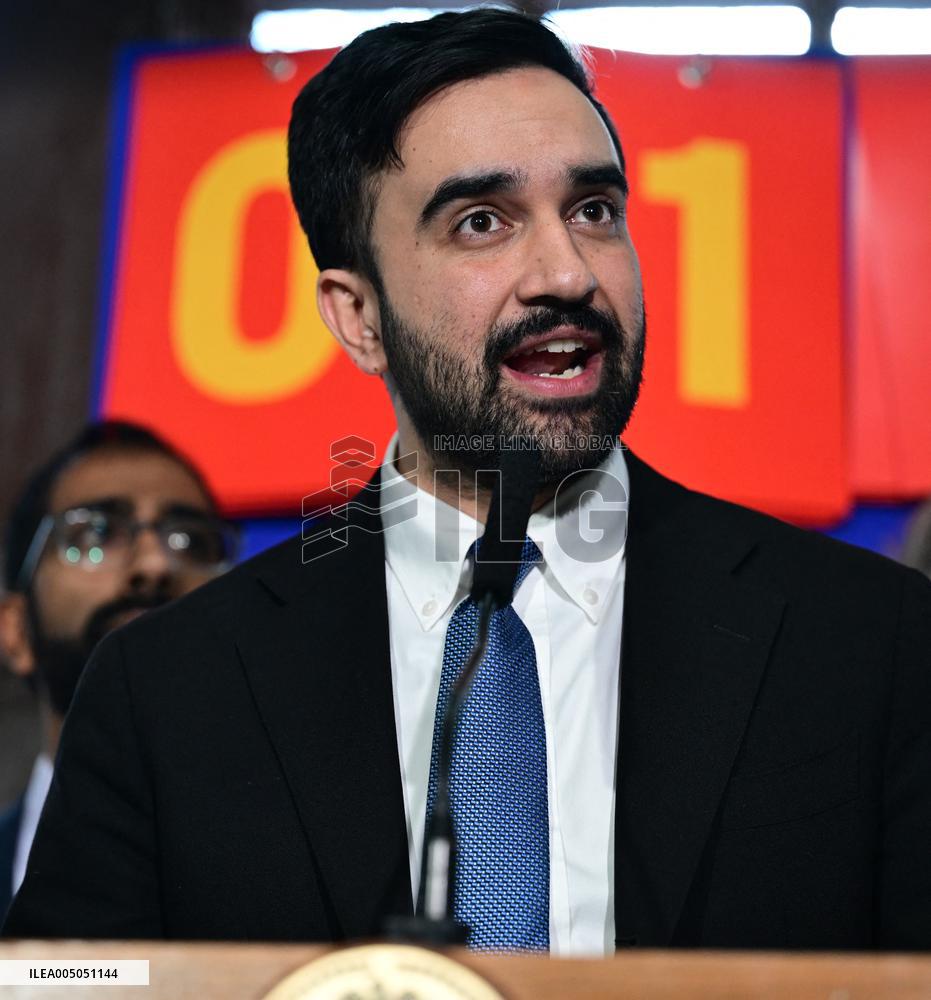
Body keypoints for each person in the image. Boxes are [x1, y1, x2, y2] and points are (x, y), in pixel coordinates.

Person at [5, 10, 931, 951]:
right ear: (357, 316)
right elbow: (66, 982)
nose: (566, 273)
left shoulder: (872, 642)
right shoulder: (166, 690)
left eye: (592, 210)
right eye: (481, 222)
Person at [0, 420, 238, 921]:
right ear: (15, 630)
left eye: (191, 541)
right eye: (96, 533)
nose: (154, 564)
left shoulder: (306, 868)